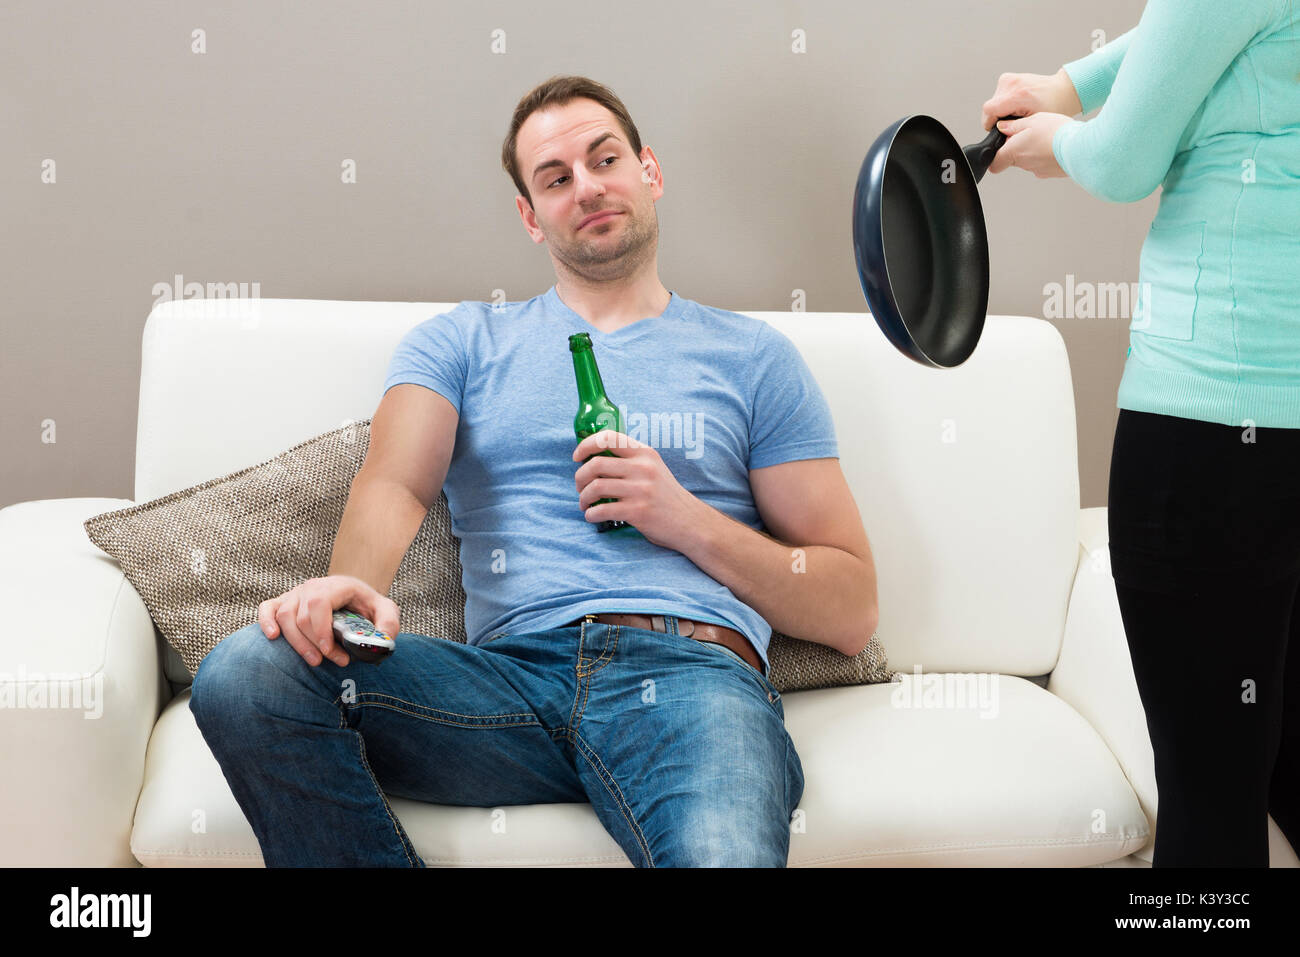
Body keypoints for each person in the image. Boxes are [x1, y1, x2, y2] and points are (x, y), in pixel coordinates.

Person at [188, 75, 879, 867]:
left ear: (648, 172)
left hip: (693, 680)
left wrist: (681, 516)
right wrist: (349, 590)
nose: (586, 187)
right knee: (251, 670)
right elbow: (396, 482)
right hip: (506, 684)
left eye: (604, 159)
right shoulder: (461, 341)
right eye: (556, 178)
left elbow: (850, 606)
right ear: (530, 215)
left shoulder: (753, 357)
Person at [982, 0, 1300, 866]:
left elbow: (1123, 160)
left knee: (1210, 806)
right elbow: (1224, 28)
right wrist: (1074, 84)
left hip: (1209, 424)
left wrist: (1056, 133)